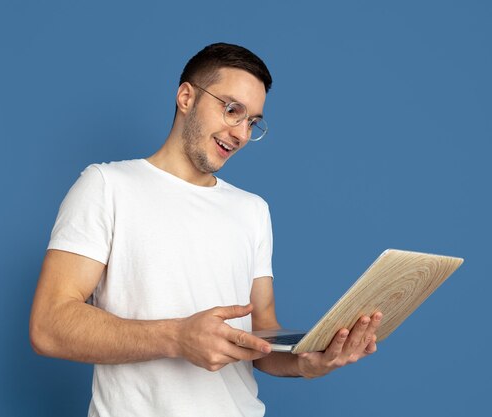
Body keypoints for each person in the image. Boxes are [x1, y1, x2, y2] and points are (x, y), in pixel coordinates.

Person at [29, 42, 383, 417]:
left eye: (252, 122)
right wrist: (178, 338)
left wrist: (306, 362)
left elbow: (261, 335)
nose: (241, 134)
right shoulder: (107, 185)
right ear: (186, 97)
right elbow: (49, 324)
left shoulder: (252, 210)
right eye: (232, 110)